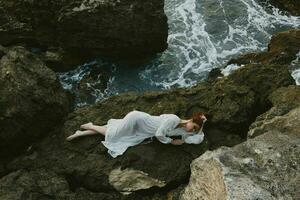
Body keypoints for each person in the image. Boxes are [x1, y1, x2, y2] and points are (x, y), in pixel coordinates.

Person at [66, 110, 207, 158]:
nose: (191, 130)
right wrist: (172, 142)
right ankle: (91, 125)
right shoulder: (174, 119)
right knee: (113, 135)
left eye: (194, 129)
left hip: (141, 130)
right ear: (190, 119)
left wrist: (202, 124)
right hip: (136, 119)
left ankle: (80, 133)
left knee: (112, 132)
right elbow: (159, 134)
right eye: (193, 126)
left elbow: (198, 137)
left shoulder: (181, 128)